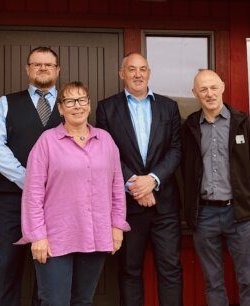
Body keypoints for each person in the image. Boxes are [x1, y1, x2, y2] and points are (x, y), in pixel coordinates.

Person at [16, 81, 130, 305]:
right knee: (54, 301)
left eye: (81, 100)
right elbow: (33, 193)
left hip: (95, 236)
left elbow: (117, 187)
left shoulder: (105, 140)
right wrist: (37, 235)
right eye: (69, 101)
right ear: (60, 108)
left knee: (83, 300)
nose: (76, 106)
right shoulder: (47, 142)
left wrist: (117, 227)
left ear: (88, 105)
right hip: (55, 239)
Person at [96, 53, 183, 306]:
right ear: (122, 73)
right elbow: (107, 152)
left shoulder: (169, 107)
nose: (138, 74)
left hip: (164, 204)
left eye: (142, 69)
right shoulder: (107, 108)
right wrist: (135, 184)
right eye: (131, 69)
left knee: (170, 270)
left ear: (149, 72)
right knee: (129, 271)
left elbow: (176, 150)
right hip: (127, 205)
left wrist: (153, 179)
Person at [181, 69, 250, 306]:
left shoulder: (242, 123)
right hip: (204, 215)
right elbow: (184, 169)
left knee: (248, 280)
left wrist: (243, 195)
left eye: (213, 87)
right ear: (195, 93)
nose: (209, 94)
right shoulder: (189, 128)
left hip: (239, 215)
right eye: (203, 89)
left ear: (223, 87)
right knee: (213, 283)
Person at [0, 47, 62, 306]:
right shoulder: (7, 102)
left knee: (49, 271)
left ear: (57, 70)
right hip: (12, 201)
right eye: (36, 64)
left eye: (48, 64)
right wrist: (28, 179)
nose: (42, 68)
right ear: (28, 69)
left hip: (55, 203)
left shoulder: (69, 105)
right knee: (7, 266)